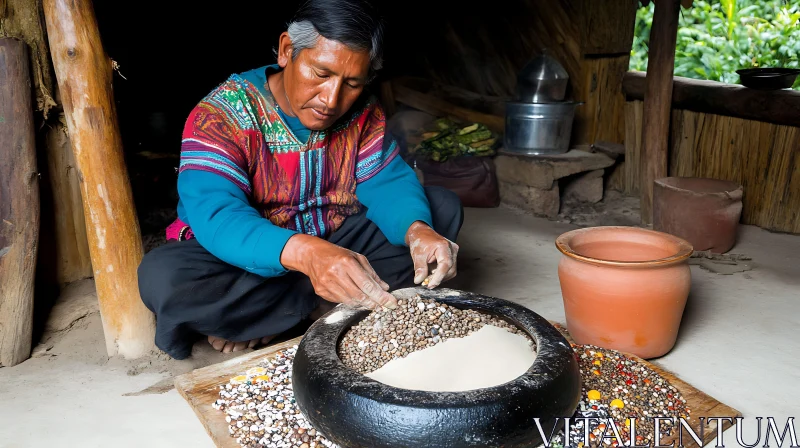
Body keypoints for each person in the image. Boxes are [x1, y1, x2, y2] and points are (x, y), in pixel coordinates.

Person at [137, 0, 463, 360]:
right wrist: (309, 255)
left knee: (438, 211)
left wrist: (417, 230)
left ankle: (269, 318)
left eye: (352, 82)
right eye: (321, 74)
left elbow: (386, 180)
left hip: (338, 242)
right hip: (251, 255)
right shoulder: (221, 114)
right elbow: (219, 215)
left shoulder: (363, 111)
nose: (332, 99)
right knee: (164, 278)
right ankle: (323, 306)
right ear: (286, 50)